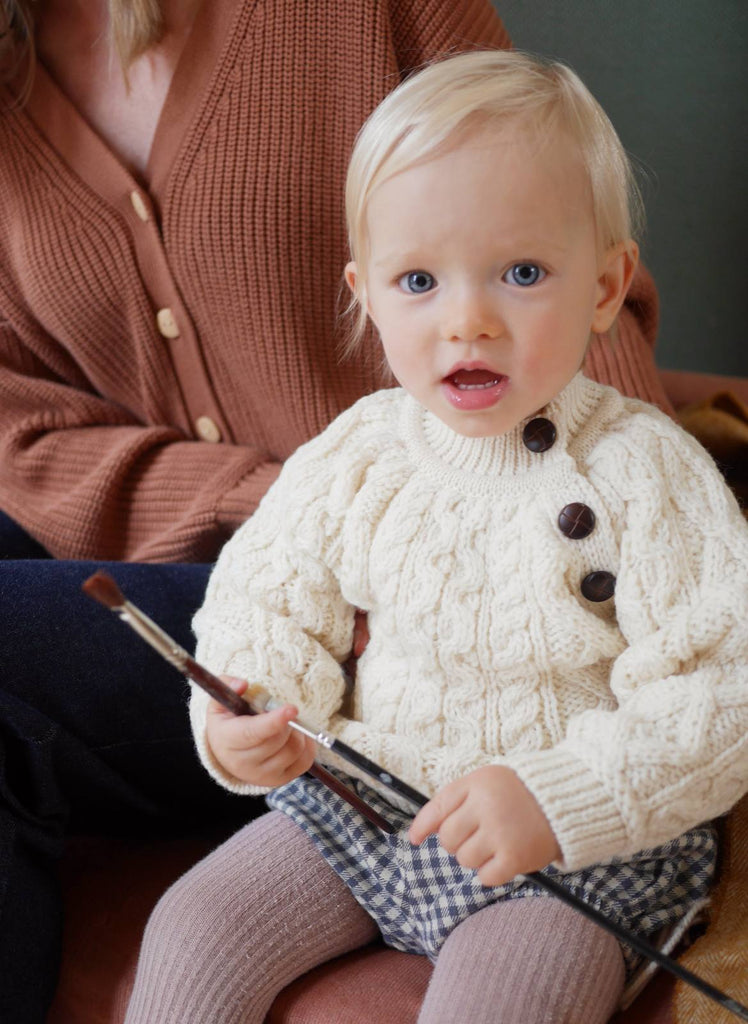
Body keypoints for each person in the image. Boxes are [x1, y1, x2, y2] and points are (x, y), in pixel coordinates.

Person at [122, 50, 748, 1024]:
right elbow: (264, 597)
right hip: (373, 796)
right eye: (417, 280)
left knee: (499, 1004)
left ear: (604, 286)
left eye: (523, 272)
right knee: (193, 925)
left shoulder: (645, 469)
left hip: (570, 845)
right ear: (366, 293)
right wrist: (250, 708)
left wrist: (560, 795)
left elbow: (721, 686)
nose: (467, 321)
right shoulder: (361, 451)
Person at [0, 5, 527, 1023]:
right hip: (191, 572)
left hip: (420, 597)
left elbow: (548, 252)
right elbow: (17, 432)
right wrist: (279, 507)